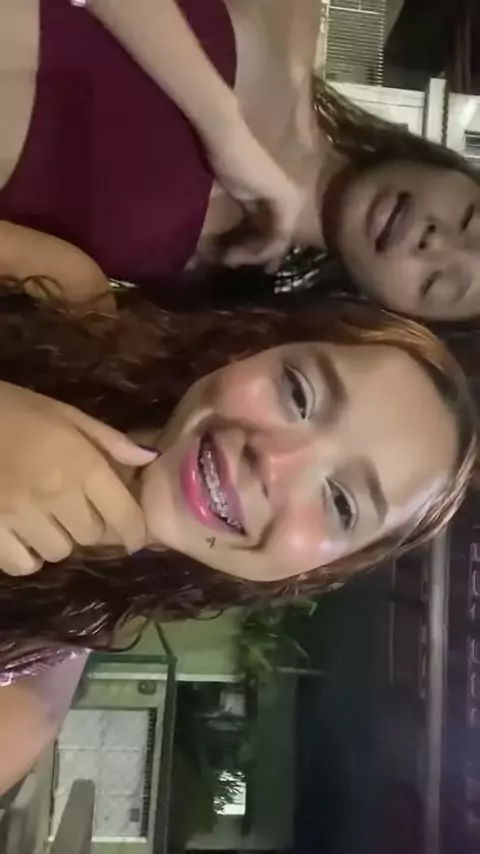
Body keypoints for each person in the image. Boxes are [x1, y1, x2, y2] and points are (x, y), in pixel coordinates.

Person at [0, 280, 476, 794]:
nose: (274, 461)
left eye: (341, 504)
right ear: (254, 348)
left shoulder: (22, 705)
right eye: (298, 393)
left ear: (316, 573)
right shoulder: (58, 291)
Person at [0, 0, 479, 320]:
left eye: (438, 283)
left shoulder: (200, 288)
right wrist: (221, 126)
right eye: (471, 220)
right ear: (456, 170)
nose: (435, 240)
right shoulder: (293, 17)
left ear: (391, 311)